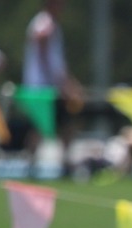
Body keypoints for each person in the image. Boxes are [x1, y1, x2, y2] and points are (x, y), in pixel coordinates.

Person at [22, 0, 82, 177]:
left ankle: (62, 162)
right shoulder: (44, 24)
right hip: (43, 88)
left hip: (49, 87)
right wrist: (62, 83)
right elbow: (46, 52)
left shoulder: (50, 24)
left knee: (64, 125)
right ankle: (32, 164)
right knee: (41, 127)